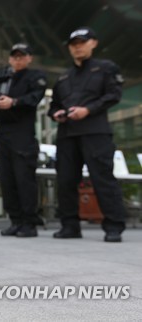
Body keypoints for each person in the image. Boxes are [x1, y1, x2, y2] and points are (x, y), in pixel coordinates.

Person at [48, 27, 127, 242]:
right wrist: (56, 114)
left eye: (82, 42)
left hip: (95, 132)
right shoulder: (63, 76)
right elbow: (53, 105)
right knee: (65, 180)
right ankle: (69, 226)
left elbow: (113, 95)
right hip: (67, 135)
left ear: (94, 43)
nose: (78, 47)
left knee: (102, 178)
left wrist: (87, 110)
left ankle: (113, 226)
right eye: (74, 44)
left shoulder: (106, 68)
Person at [0, 43, 47, 237]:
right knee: (7, 179)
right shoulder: (2, 77)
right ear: (10, 59)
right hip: (2, 133)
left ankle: (29, 223)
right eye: (15, 56)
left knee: (24, 179)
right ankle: (15, 220)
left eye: (22, 56)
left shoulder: (35, 77)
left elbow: (35, 97)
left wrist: (13, 102)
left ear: (29, 58)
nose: (18, 59)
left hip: (23, 134)